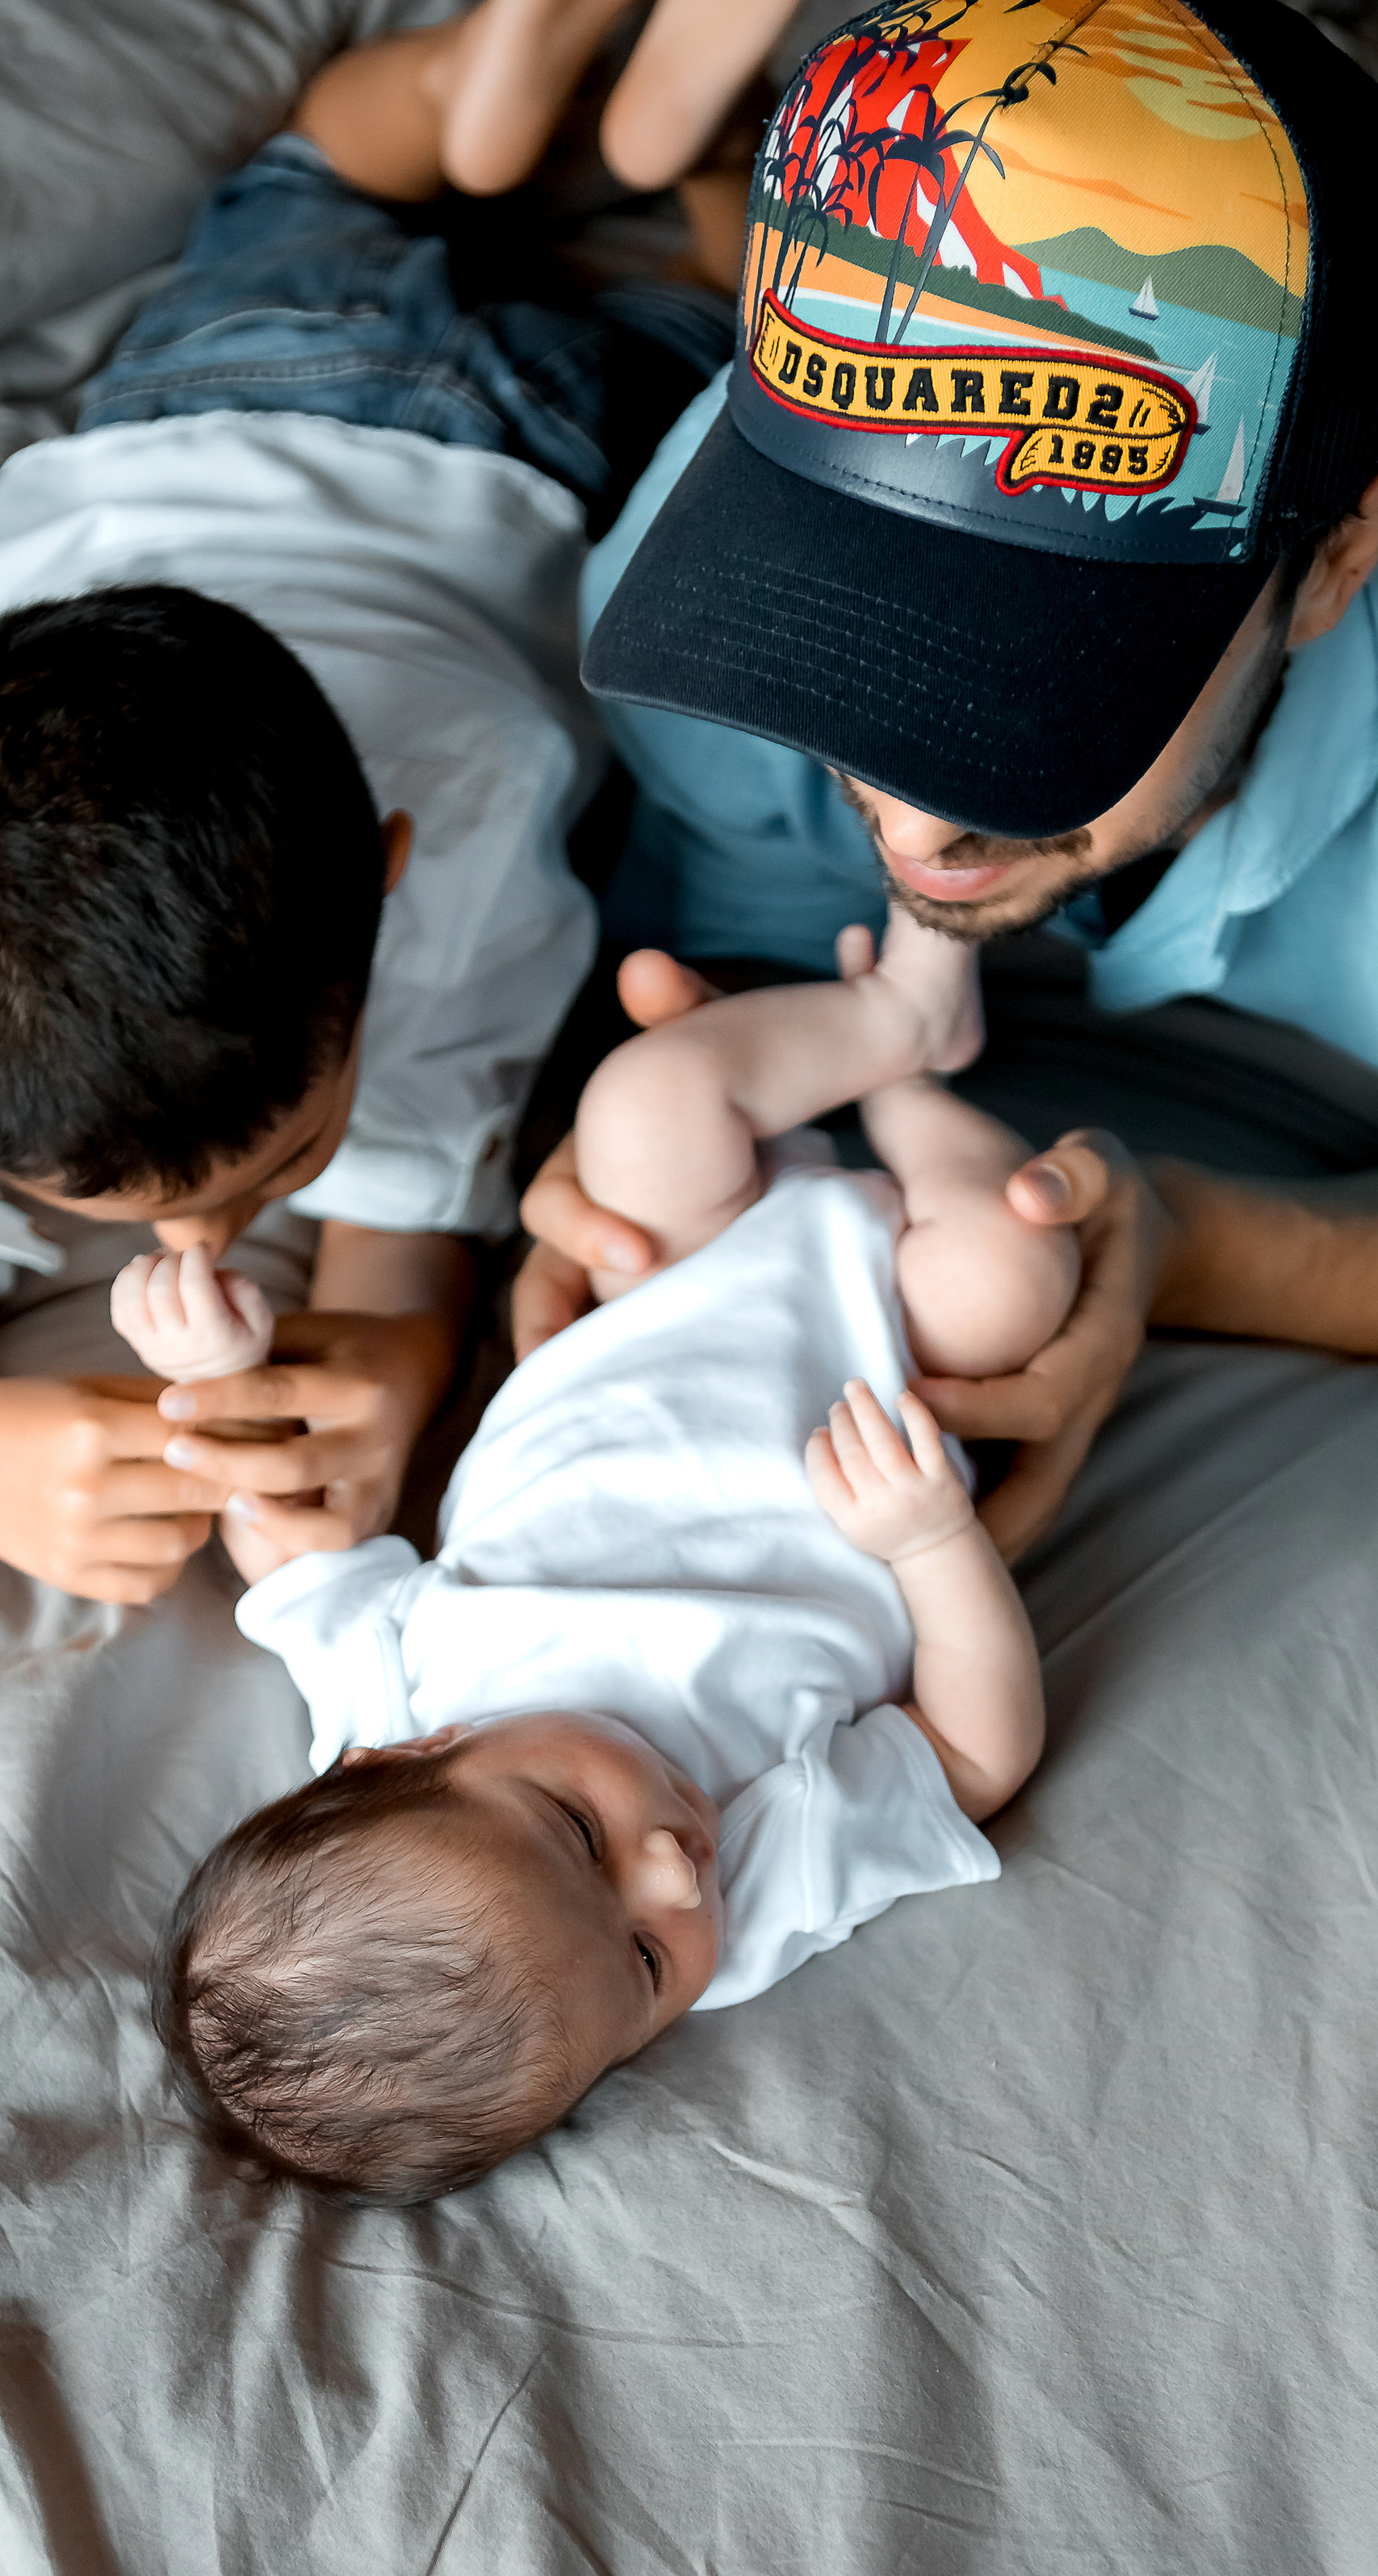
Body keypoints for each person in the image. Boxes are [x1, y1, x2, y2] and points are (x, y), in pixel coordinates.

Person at [517, 0, 1378, 1559]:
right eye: (832, 632)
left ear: (1340, 559)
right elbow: (745, 937)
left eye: (1032, 684)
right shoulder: (724, 520)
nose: (912, 822)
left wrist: (1183, 1247)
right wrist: (681, 1142)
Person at [0, 0, 739, 1603]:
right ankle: (471, 97)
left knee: (740, 374)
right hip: (208, 389)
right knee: (310, 185)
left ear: (390, 868)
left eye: (276, 1172)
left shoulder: (474, 810)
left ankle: (694, 182)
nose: (195, 1244)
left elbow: (433, 1146)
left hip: (537, 456)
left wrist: (408, 1351)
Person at [126, 924, 1070, 2201]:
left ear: (404, 1757)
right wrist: (932, 1541)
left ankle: (899, 1014)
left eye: (580, 1832)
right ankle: (912, 1096)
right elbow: (972, 1757)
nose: (675, 1871)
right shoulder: (765, 1889)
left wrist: (222, 1378)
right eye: (644, 1967)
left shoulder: (391, 1696)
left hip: (663, 1289)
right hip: (894, 1361)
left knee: (646, 1105)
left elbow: (293, 1548)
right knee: (1008, 1272)